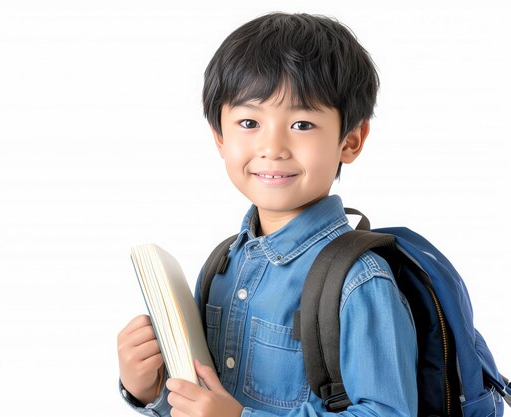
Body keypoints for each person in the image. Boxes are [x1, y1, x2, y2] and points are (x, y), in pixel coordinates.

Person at [117, 12, 417, 417]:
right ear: (220, 137)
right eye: (248, 122)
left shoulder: (359, 280)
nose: (272, 146)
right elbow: (204, 404)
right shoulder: (223, 266)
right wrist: (151, 391)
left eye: (302, 123)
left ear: (351, 140)